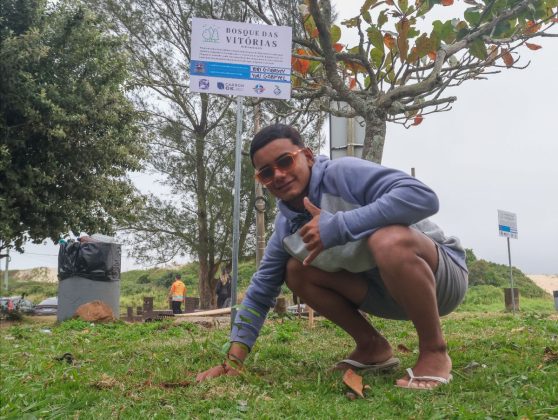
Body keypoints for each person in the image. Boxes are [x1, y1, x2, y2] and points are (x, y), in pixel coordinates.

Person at [196, 124, 468, 390]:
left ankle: (434, 351)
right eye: (266, 173)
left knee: (388, 240)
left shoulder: (343, 173)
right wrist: (233, 360)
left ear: (309, 156)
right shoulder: (285, 228)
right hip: (384, 295)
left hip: (442, 279)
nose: (278, 175)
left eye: (286, 161)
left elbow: (423, 198)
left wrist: (340, 225)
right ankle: (371, 346)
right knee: (295, 271)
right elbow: (260, 290)